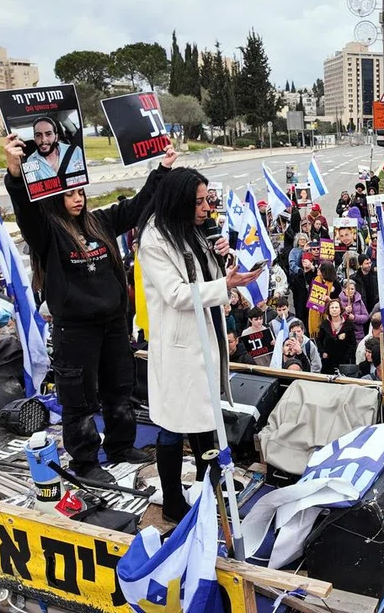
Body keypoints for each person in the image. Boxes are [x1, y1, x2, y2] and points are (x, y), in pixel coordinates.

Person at [4, 133, 160, 484]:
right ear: (56, 198)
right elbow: (26, 212)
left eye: (80, 192)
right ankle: (86, 462)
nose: (77, 199)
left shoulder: (99, 222)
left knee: (119, 389)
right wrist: (15, 175)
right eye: (69, 194)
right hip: (75, 331)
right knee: (79, 400)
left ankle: (121, 446)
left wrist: (161, 171)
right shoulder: (47, 233)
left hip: (113, 325)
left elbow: (136, 208)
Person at [137, 162, 263, 522]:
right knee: (175, 426)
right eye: (200, 202)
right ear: (179, 202)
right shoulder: (155, 240)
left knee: (207, 418)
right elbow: (177, 294)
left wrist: (224, 259)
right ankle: (174, 501)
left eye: (209, 201)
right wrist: (227, 286)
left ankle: (212, 485)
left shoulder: (193, 230)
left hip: (206, 339)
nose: (208, 209)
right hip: (180, 348)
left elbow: (210, 278)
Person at [24, 117, 86, 182]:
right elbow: (33, 186)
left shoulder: (75, 151)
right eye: (38, 135)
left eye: (48, 134)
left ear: (56, 137)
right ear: (34, 138)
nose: (43, 140)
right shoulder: (30, 161)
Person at [316, 299, 357, 374]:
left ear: (340, 309)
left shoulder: (348, 324)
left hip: (343, 362)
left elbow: (353, 343)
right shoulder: (324, 325)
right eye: (332, 308)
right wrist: (322, 353)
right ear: (328, 310)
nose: (334, 310)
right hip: (328, 362)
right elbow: (319, 341)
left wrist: (347, 356)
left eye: (336, 307)